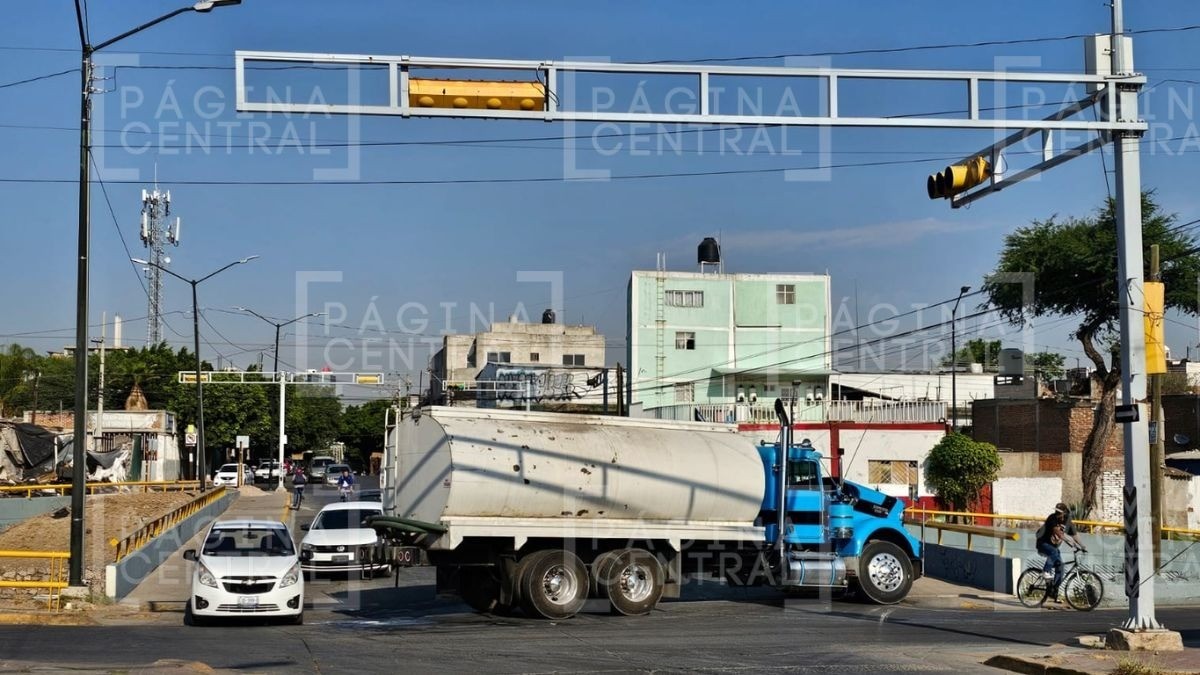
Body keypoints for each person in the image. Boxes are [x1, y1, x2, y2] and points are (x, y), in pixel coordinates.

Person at [1036, 502, 1086, 599]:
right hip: (1043, 543)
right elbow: (1057, 532)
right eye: (1056, 511)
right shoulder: (1052, 518)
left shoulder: (1068, 521)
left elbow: (1074, 535)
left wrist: (1082, 546)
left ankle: (1054, 590)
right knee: (1053, 552)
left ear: (1064, 513)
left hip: (1053, 546)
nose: (1057, 513)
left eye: (1059, 512)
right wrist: (1070, 543)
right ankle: (1045, 572)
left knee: (1060, 566)